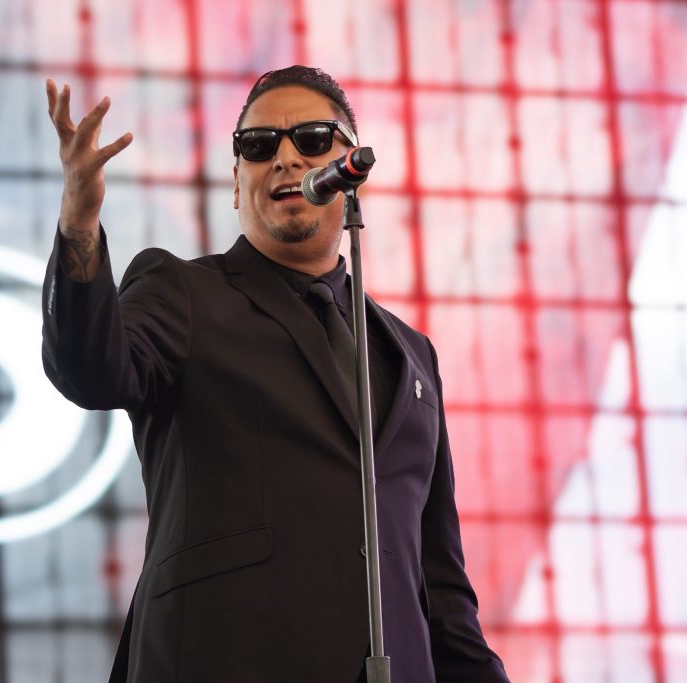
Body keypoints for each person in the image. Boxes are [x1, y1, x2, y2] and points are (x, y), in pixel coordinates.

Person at [41, 65, 509, 683]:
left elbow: (440, 585)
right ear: (238, 186)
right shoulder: (180, 291)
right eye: (258, 146)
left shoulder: (412, 352)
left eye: (312, 139)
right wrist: (78, 226)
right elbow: (89, 370)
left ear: (351, 169)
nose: (286, 158)